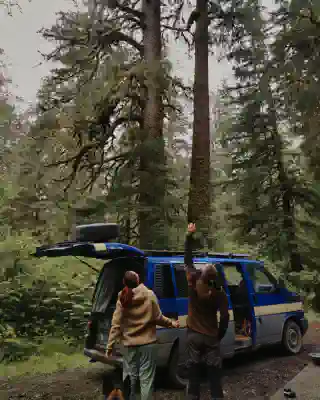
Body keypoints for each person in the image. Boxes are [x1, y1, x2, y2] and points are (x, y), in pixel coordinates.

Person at [106, 270, 179, 400]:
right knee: (146, 380)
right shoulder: (149, 295)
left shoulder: (121, 297)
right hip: (148, 344)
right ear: (138, 281)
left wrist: (110, 346)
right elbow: (158, 318)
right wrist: (172, 323)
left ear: (124, 282)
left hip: (129, 345)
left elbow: (116, 324)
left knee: (129, 379)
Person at [184, 223, 230, 400]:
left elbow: (187, 260)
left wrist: (189, 236)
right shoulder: (220, 294)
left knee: (193, 373)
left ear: (201, 274)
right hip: (211, 336)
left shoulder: (193, 282)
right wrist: (219, 335)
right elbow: (225, 317)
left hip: (193, 334)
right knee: (214, 375)